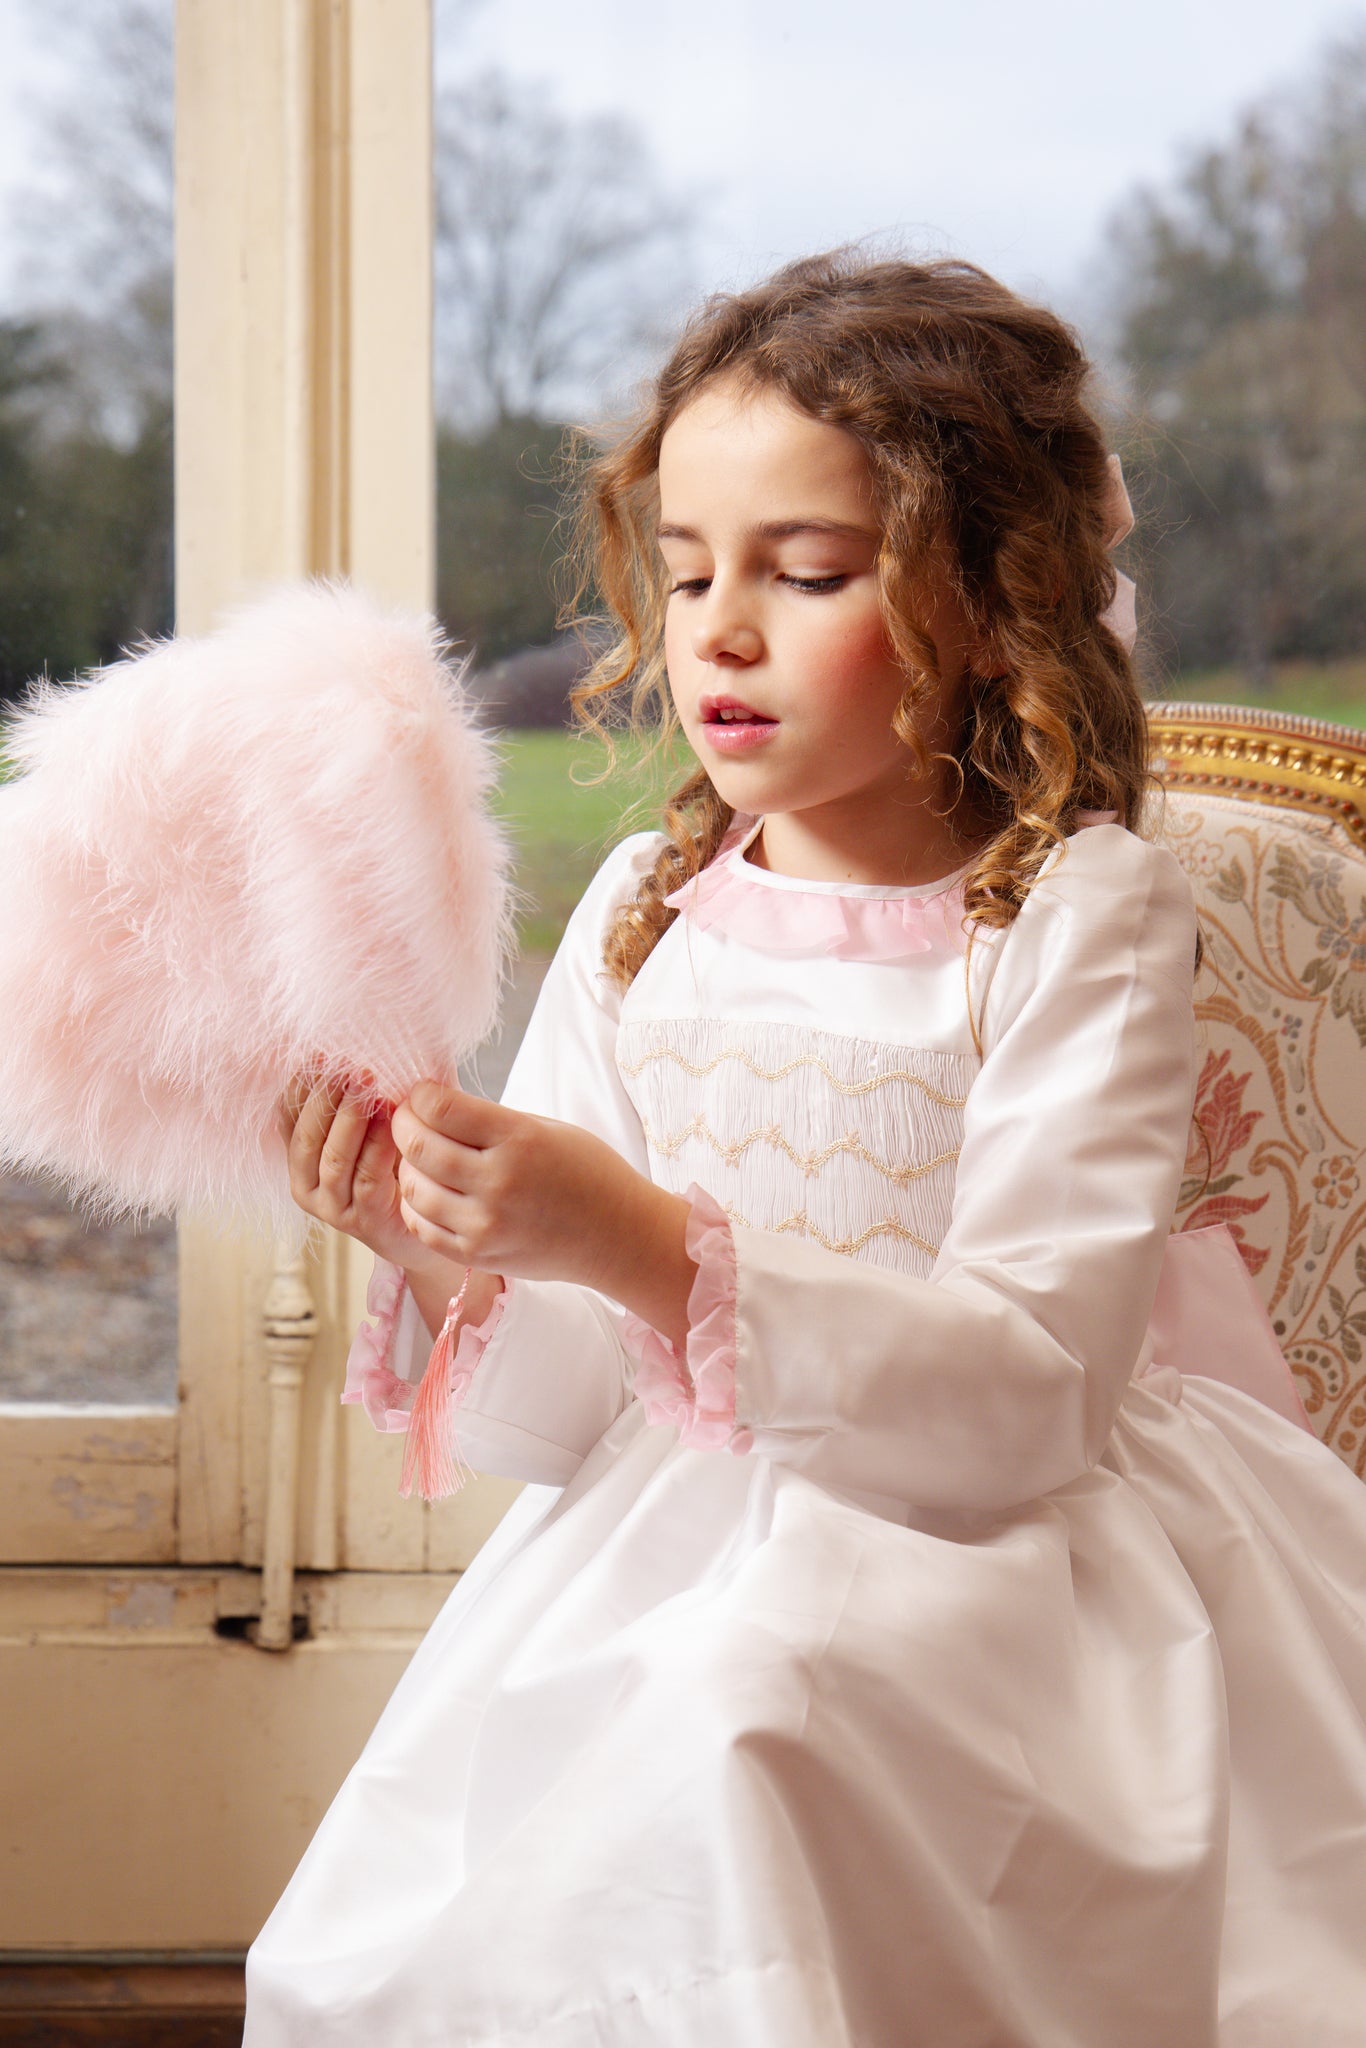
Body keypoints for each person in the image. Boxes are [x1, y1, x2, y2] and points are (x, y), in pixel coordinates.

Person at [244, 252, 1366, 2046]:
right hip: (667, 1546)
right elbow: (573, 1410)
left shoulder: (1072, 911)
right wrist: (440, 1242)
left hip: (1003, 1560)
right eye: (686, 573)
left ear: (993, 602)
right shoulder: (643, 909)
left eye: (809, 573)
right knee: (552, 1841)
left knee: (751, 1718)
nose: (720, 631)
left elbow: (1034, 1386)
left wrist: (643, 1242)